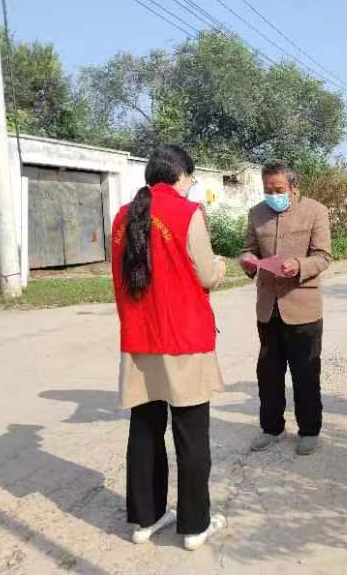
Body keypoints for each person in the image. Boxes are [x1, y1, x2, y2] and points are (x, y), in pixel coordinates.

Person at [111, 144, 227, 551]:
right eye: (191, 178)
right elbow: (206, 274)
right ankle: (195, 526)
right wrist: (222, 266)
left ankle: (145, 519)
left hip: (141, 340)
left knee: (145, 430)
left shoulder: (123, 216)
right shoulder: (187, 212)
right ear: (181, 175)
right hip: (183, 340)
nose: (192, 185)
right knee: (191, 435)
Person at [239, 162, 332, 456]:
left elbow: (323, 256)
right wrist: (247, 261)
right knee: (268, 372)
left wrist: (299, 265)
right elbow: (249, 249)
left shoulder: (315, 211)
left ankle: (309, 430)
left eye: (278, 189)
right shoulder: (256, 213)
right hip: (268, 308)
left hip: (303, 306)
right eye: (267, 190)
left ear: (293, 188)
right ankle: (272, 427)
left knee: (305, 373)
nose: (273, 195)